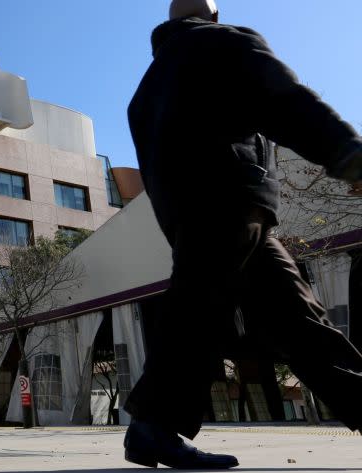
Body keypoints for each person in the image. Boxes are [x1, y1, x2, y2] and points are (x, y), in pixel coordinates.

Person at [124, 0, 362, 469]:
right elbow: (286, 102)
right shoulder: (224, 41)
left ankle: (153, 425)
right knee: (200, 306)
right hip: (231, 195)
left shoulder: (146, 88)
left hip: (186, 209)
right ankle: (151, 424)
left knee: (294, 314)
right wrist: (349, 155)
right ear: (213, 15)